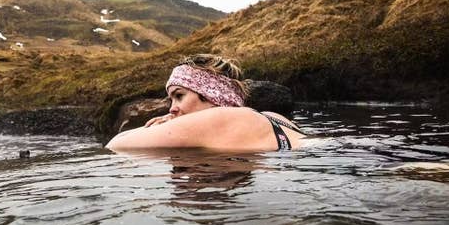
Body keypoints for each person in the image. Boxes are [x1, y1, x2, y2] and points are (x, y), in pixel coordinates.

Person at [105, 54, 306, 152]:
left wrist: (164, 126)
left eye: (179, 96)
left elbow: (116, 145)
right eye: (171, 100)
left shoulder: (216, 118)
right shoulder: (272, 117)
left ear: (211, 93)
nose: (172, 109)